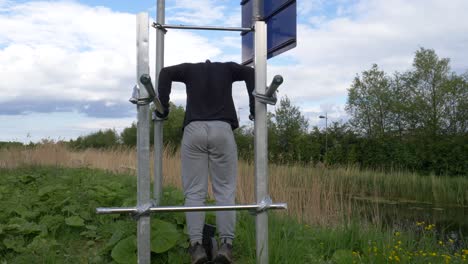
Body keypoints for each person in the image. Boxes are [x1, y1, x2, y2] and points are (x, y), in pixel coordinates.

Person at [156, 60, 255, 264]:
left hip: (194, 130)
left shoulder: (190, 69)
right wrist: (254, 108)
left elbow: (165, 72)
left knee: (193, 192)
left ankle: (196, 248)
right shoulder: (227, 68)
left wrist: (163, 108)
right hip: (222, 129)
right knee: (225, 191)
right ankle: (226, 247)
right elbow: (250, 73)